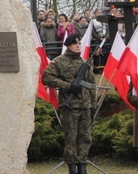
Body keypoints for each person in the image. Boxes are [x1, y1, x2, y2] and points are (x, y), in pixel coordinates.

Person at [42, 34, 97, 174]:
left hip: (85, 106)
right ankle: (72, 167)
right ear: (68, 45)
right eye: (75, 43)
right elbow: (46, 77)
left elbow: (91, 85)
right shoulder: (59, 61)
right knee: (71, 138)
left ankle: (82, 166)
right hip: (70, 106)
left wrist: (93, 106)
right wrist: (67, 86)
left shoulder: (85, 62)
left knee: (85, 137)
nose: (78, 45)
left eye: (79, 43)